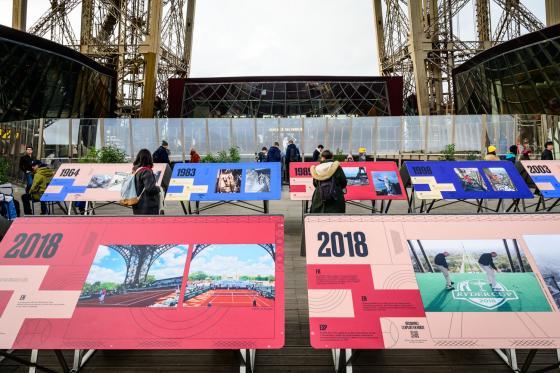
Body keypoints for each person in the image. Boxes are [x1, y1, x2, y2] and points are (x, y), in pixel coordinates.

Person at [132, 149, 161, 215]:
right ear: (149, 158)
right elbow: (150, 188)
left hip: (137, 203)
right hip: (147, 206)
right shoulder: (146, 171)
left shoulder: (136, 170)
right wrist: (159, 188)